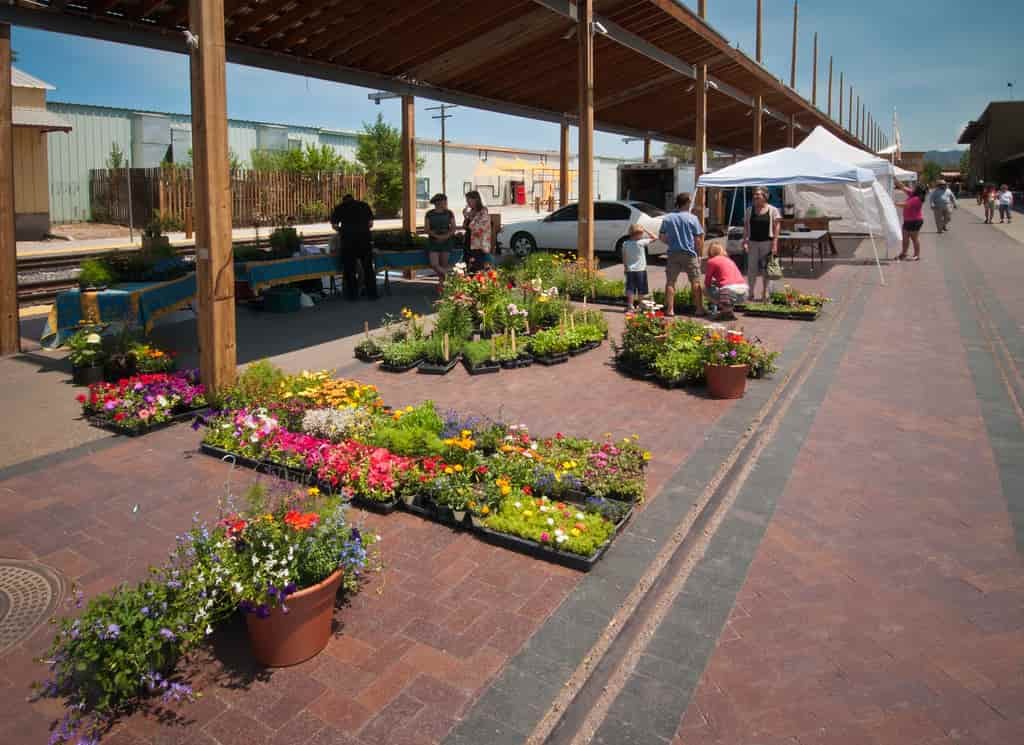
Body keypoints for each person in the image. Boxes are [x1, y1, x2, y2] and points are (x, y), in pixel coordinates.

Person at [659, 192, 705, 317]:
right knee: (695, 282)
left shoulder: (668, 218)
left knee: (670, 282)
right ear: (687, 203)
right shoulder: (692, 218)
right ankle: (699, 309)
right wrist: (699, 254)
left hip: (673, 253)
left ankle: (670, 310)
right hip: (689, 253)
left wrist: (672, 242)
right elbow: (698, 239)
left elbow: (662, 237)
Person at [329, 194, 377, 300]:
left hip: (348, 242)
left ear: (344, 200)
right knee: (368, 268)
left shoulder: (340, 208)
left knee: (349, 270)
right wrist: (363, 229)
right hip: (364, 241)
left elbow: (334, 225)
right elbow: (371, 224)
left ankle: (352, 296)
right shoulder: (364, 205)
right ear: (354, 199)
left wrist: (343, 231)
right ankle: (372, 294)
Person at [741, 187, 781, 302]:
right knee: (751, 269)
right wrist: (745, 241)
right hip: (753, 242)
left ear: (765, 197)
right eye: (754, 195)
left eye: (758, 195)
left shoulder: (773, 210)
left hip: (767, 243)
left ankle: (765, 292)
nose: (755, 196)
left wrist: (775, 243)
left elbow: (777, 226)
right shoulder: (749, 210)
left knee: (766, 269)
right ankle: (751, 292)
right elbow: (746, 227)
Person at [704, 240, 748, 320]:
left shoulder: (711, 261)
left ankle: (725, 310)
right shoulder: (729, 260)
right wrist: (717, 282)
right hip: (744, 292)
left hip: (730, 292)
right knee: (725, 289)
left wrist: (710, 286)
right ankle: (729, 311)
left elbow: (707, 281)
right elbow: (728, 278)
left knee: (706, 289)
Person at [621, 223, 655, 311]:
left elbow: (624, 257)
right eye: (641, 233)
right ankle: (640, 305)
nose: (642, 235)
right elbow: (655, 238)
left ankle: (630, 305)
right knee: (641, 288)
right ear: (637, 234)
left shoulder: (625, 243)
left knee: (630, 288)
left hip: (630, 270)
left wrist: (625, 267)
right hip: (641, 270)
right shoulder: (641, 242)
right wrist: (646, 230)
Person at [426, 194, 456, 286]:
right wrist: (437, 236)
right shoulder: (429, 213)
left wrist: (445, 237)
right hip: (433, 241)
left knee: (444, 265)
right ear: (438, 202)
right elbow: (427, 229)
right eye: (444, 201)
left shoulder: (449, 213)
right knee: (434, 264)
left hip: (447, 241)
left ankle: (441, 286)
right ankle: (450, 276)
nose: (446, 203)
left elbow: (453, 228)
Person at [894, 180, 926, 261]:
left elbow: (906, 205)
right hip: (908, 220)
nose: (913, 188)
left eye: (915, 187)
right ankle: (903, 253)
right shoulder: (913, 194)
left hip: (915, 221)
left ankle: (916, 255)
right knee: (905, 238)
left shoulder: (917, 198)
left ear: (918, 190)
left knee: (914, 239)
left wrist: (894, 203)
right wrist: (894, 179)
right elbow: (902, 187)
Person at [462, 191, 493, 272]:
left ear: (476, 200)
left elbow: (479, 228)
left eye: (469, 200)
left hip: (478, 243)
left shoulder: (483, 211)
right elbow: (465, 226)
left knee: (477, 266)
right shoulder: (470, 212)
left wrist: (470, 217)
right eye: (467, 200)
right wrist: (466, 217)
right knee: (468, 264)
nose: (468, 202)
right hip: (468, 240)